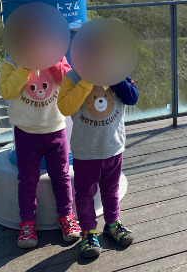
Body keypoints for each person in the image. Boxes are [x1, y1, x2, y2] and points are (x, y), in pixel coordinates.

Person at [0, 57, 81, 248]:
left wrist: (52, 63)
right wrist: (24, 66)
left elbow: (69, 80)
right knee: (27, 179)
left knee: (61, 176)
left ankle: (67, 216)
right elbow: (6, 92)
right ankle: (27, 224)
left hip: (55, 129)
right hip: (26, 132)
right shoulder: (11, 63)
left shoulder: (57, 57)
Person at [58, 70, 138, 258]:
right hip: (86, 152)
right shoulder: (73, 77)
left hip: (114, 147)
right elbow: (65, 107)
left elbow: (132, 97)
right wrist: (87, 80)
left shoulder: (119, 72)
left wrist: (114, 77)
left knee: (112, 189)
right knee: (85, 194)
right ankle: (88, 232)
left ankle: (112, 223)